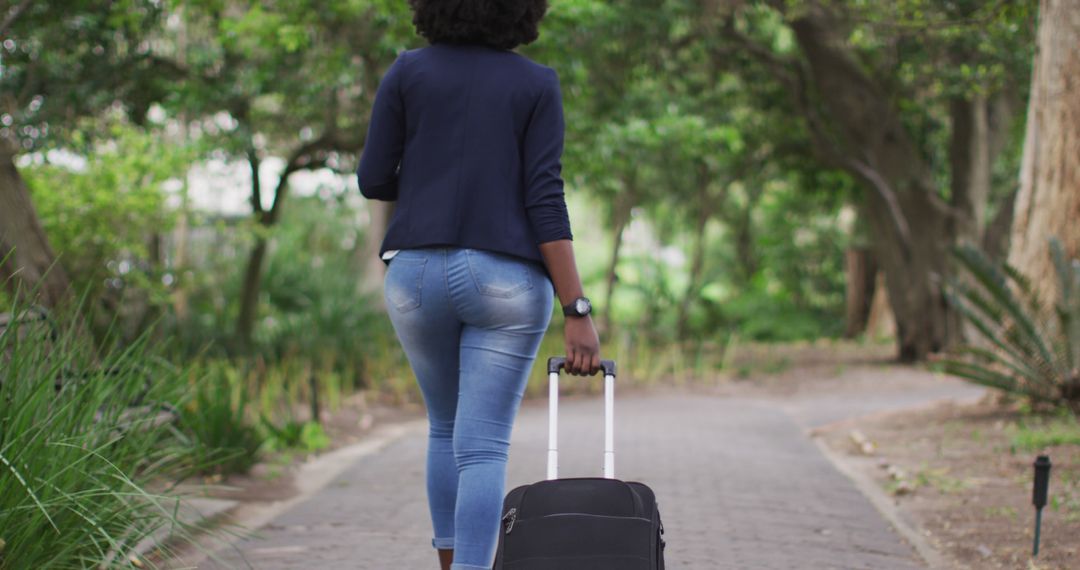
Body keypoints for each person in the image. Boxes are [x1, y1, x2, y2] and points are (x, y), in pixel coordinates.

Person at [356, 1, 601, 568]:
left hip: (415, 275)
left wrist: (425, 179)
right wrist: (577, 308)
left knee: (443, 430)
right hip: (504, 278)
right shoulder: (536, 83)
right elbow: (544, 198)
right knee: (483, 446)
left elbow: (373, 179)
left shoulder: (406, 72)